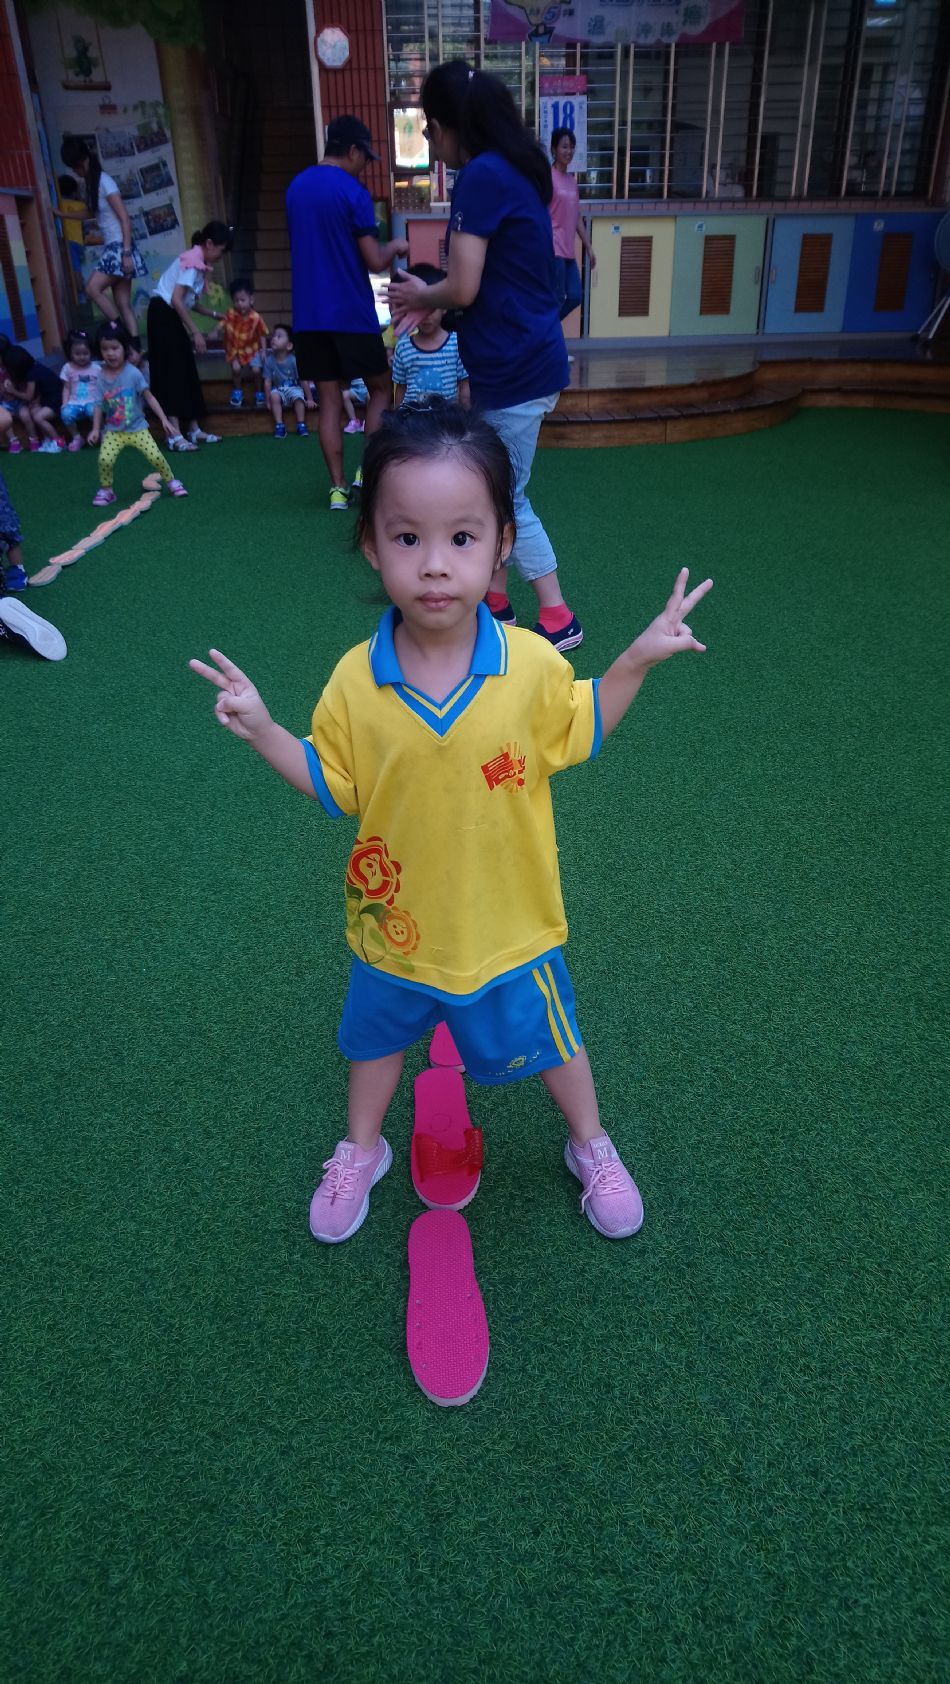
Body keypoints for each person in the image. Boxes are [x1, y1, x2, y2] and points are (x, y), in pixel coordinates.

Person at [190, 402, 713, 1245]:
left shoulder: (532, 665)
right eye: (407, 537)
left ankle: (590, 1142)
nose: (435, 565)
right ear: (371, 544)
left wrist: (634, 660)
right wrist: (263, 730)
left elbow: (582, 728)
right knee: (372, 1043)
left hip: (507, 924)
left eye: (462, 538)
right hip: (392, 926)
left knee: (555, 1041)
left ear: (504, 542)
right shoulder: (355, 681)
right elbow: (332, 785)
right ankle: (361, 1149)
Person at [388, 61, 583, 653]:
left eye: (429, 126)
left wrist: (423, 296)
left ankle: (559, 616)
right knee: (492, 486)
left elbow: (464, 286)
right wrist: (440, 306)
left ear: (451, 125)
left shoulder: (481, 176)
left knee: (504, 498)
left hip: (517, 367)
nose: (428, 138)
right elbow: (492, 283)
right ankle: (496, 605)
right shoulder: (509, 170)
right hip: (518, 361)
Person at [285, 113, 410, 511]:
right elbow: (374, 260)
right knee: (380, 388)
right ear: (353, 151)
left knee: (329, 400)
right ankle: (366, 474)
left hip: (308, 316)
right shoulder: (353, 192)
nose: (365, 166)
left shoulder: (295, 188)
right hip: (351, 312)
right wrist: (396, 247)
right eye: (366, 158)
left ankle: (337, 488)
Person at [146, 222, 232, 451]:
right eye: (221, 251)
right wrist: (196, 332)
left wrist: (216, 314)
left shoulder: (198, 263)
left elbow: (188, 302)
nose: (220, 257)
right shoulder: (192, 263)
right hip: (162, 315)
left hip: (169, 314)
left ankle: (193, 429)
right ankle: (173, 435)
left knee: (185, 369)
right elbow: (176, 299)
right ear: (209, 243)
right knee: (172, 372)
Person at [60, 136, 147, 351]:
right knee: (123, 304)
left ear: (82, 161)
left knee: (92, 288)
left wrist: (126, 253)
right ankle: (135, 348)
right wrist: (61, 214)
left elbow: (125, 217)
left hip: (119, 246)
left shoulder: (104, 181)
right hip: (118, 246)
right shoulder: (94, 182)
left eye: (75, 167)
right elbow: (91, 213)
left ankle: (122, 336)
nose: (75, 172)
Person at [87, 319, 187, 506]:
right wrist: (95, 429)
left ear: (125, 348)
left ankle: (172, 481)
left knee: (155, 456)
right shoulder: (101, 377)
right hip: (114, 431)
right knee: (105, 460)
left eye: (115, 348)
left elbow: (149, 397)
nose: (110, 353)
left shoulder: (133, 373)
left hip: (138, 429)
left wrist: (164, 419)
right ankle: (107, 490)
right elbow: (98, 405)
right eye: (105, 349)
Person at [391, 263, 470, 408]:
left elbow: (464, 385)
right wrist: (397, 416)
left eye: (431, 309)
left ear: (444, 308)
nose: (426, 316)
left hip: (447, 419)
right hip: (413, 419)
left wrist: (466, 415)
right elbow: (401, 388)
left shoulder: (457, 343)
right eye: (419, 309)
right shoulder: (403, 348)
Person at [549, 127, 596, 329]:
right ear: (554, 149)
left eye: (572, 147)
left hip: (568, 250)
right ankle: (548, 335)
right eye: (564, 147)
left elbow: (576, 216)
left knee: (575, 296)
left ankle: (545, 331)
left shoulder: (571, 181)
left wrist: (589, 246)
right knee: (558, 297)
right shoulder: (547, 177)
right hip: (553, 248)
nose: (569, 151)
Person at [1, 344, 65, 453]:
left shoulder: (31, 375)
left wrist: (13, 391)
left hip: (56, 401)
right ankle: (47, 440)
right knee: (35, 411)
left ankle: (59, 441)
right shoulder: (34, 366)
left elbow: (28, 396)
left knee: (38, 418)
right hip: (48, 399)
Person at [262, 325, 316, 439]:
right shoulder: (269, 361)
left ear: (289, 345)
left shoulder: (293, 360)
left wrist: (310, 398)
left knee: (299, 398)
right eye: (273, 336)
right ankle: (279, 425)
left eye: (279, 336)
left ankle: (301, 424)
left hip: (294, 388)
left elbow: (303, 380)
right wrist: (268, 401)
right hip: (279, 390)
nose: (274, 338)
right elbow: (267, 383)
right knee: (274, 396)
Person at [222, 278, 268, 408]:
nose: (240, 304)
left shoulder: (256, 317)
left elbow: (262, 334)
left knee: (256, 370)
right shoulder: (230, 314)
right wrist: (215, 331)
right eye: (236, 301)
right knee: (236, 369)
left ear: (251, 300)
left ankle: (259, 392)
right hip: (236, 350)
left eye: (243, 300)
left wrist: (263, 350)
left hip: (252, 349)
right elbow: (222, 324)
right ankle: (238, 391)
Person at [60, 328, 101, 450]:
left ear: (91, 352)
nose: (82, 357)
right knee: (66, 413)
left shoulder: (96, 368)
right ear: (70, 353)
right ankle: (77, 437)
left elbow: (101, 387)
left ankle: (100, 431)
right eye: (77, 354)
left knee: (92, 410)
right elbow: (66, 387)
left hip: (92, 401)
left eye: (85, 353)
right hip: (75, 402)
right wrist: (65, 403)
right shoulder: (67, 368)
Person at [56, 173, 89, 305]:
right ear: (74, 192)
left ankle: (81, 295)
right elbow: (85, 226)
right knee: (77, 268)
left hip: (67, 242)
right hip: (78, 242)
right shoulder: (80, 205)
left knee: (73, 269)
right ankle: (81, 294)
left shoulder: (58, 204)